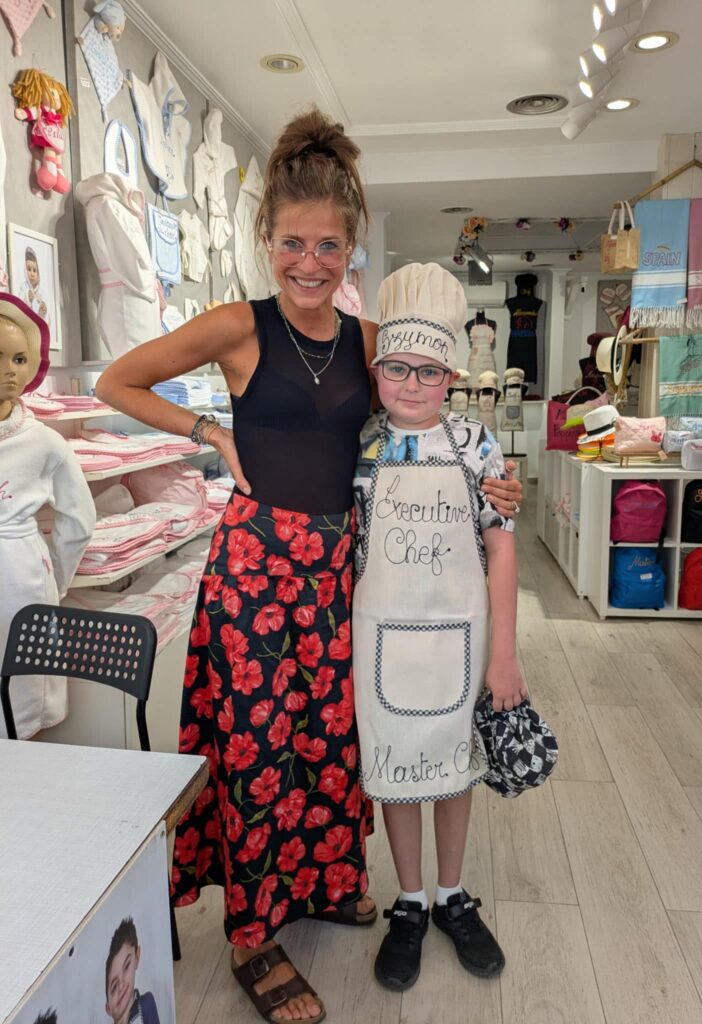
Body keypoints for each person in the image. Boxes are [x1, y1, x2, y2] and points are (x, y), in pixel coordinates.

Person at [96, 107, 522, 1024]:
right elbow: (115, 382)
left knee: (332, 742)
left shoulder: (368, 342)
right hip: (254, 570)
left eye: (329, 246)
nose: (309, 263)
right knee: (256, 746)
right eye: (292, 243)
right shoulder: (236, 326)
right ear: (267, 240)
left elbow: (424, 414)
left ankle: (326, 880)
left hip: (342, 575)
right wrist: (208, 431)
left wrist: (492, 482)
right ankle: (252, 937)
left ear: (351, 249)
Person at [352, 262, 527, 991]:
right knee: (396, 769)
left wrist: (504, 655)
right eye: (397, 368)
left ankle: (452, 895)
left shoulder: (477, 445)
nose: (413, 384)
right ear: (376, 371)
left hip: (460, 640)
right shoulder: (361, 445)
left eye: (429, 372)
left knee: (454, 768)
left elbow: (501, 547)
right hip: (379, 642)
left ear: (451, 377)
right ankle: (410, 901)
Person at [0, 293, 95, 740]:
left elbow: (79, 518)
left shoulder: (46, 442)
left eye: (19, 358)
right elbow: (77, 520)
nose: (9, 370)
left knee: (22, 682)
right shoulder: (44, 442)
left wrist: (53, 579)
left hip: (20, 574)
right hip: (23, 569)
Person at [104, 917, 159, 1024]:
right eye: (114, 987)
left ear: (137, 957)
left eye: (126, 967)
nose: (121, 986)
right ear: (108, 1007)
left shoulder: (145, 1004)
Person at [16, 247, 49, 322]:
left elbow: (46, 309)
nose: (32, 274)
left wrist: (44, 309)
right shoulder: (23, 287)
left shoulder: (41, 291)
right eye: (29, 269)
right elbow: (19, 302)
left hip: (38, 321)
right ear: (25, 270)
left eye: (34, 271)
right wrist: (27, 297)